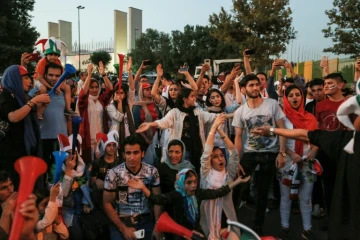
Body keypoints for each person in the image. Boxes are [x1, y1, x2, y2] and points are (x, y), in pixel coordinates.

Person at [232, 74, 286, 235]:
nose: (255, 88)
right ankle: (231, 224)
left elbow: (282, 129)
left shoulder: (272, 104)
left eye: (257, 84)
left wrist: (281, 153)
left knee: (263, 192)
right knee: (238, 188)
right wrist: (236, 160)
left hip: (270, 153)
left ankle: (258, 226)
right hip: (250, 153)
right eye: (251, 85)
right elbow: (237, 137)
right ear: (243, 89)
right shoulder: (240, 111)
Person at [127, 168, 250, 239]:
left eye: (195, 182)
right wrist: (143, 188)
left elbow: (218, 192)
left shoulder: (198, 193)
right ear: (181, 183)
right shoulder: (176, 195)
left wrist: (238, 181)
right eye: (189, 182)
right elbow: (157, 199)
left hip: (197, 234)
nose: (193, 185)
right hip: (180, 235)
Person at [136, 86, 217, 174]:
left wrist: (230, 115)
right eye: (192, 96)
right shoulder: (175, 112)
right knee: (182, 175)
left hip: (197, 150)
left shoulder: (197, 112)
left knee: (196, 173)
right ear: (185, 99)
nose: (194, 98)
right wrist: (150, 124)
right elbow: (164, 122)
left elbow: (211, 117)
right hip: (181, 152)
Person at [276, 85, 320, 240]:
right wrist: (290, 153)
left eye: (298, 95)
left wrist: (314, 149)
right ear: (286, 98)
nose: (295, 98)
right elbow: (278, 140)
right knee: (286, 197)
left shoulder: (310, 117)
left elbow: (317, 138)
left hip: (307, 163)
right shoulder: (282, 118)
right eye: (291, 95)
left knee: (306, 198)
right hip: (287, 163)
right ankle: (284, 227)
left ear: (302, 97)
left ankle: (307, 230)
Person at [103, 135, 162, 240]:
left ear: (142, 153)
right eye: (128, 153)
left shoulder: (152, 172)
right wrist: (123, 228)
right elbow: (107, 203)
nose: (132, 157)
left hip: (145, 221)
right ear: (123, 155)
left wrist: (157, 225)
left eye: (136, 152)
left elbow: (158, 201)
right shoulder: (113, 173)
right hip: (121, 221)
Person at [0, 65, 50, 187]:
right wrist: (33, 101)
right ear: (15, 79)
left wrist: (42, 106)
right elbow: (13, 117)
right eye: (26, 78)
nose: (30, 81)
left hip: (24, 148)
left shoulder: (22, 97)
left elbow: (29, 117)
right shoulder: (6, 96)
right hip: (11, 152)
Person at [199, 115, 241, 240]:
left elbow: (233, 152)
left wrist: (221, 131)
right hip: (208, 222)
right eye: (215, 156)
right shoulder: (206, 173)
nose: (220, 158)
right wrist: (213, 128)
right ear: (210, 161)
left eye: (221, 155)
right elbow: (207, 152)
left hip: (227, 221)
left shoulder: (229, 173)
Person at [78, 62, 113, 162]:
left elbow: (110, 89)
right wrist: (89, 75)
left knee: (101, 164)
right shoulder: (83, 102)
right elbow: (82, 94)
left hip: (101, 138)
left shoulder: (101, 100)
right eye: (91, 87)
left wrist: (104, 74)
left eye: (96, 87)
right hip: (88, 139)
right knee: (88, 164)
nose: (94, 89)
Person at [33, 37, 76, 118]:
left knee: (67, 87)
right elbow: (40, 77)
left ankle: (68, 108)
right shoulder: (42, 62)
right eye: (51, 54)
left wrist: (58, 87)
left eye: (56, 55)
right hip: (39, 80)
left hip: (52, 81)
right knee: (43, 89)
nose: (53, 56)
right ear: (46, 54)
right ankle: (40, 110)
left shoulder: (58, 61)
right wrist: (51, 87)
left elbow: (62, 77)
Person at [39, 62, 69, 169]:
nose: (54, 78)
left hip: (61, 138)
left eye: (57, 76)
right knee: (45, 171)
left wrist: (68, 138)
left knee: (60, 172)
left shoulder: (63, 92)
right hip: (44, 138)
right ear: (45, 75)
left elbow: (67, 115)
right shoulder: (39, 90)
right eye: (51, 75)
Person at [107, 57, 136, 155]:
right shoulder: (110, 106)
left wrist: (129, 71)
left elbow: (132, 88)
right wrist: (119, 103)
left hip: (129, 137)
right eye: (117, 93)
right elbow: (119, 118)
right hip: (116, 138)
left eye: (122, 93)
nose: (119, 95)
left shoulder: (128, 103)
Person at [91, 130, 120, 208]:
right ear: (104, 146)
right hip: (101, 193)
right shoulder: (97, 162)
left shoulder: (120, 162)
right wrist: (96, 180)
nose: (112, 148)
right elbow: (92, 181)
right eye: (109, 145)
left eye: (114, 145)